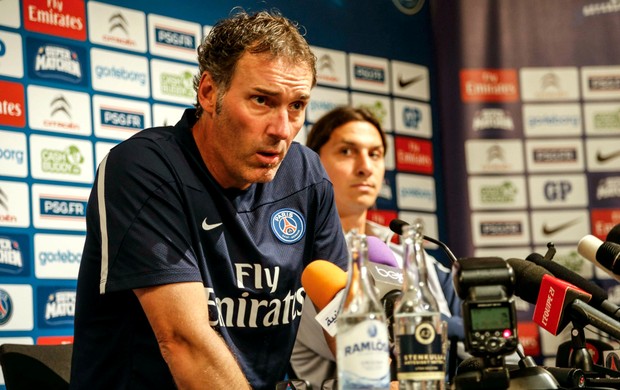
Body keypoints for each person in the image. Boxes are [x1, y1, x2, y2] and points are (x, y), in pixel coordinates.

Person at [70, 9, 350, 390]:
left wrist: (379, 374)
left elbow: (344, 322)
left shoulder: (306, 176)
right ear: (208, 92)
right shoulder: (144, 169)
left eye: (297, 105)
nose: (282, 130)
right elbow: (185, 344)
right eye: (261, 101)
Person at [290, 106, 464, 389]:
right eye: (347, 151)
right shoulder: (307, 266)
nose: (365, 167)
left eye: (375, 154)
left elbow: (473, 334)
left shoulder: (411, 255)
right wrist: (444, 327)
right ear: (315, 164)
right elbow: (380, 351)